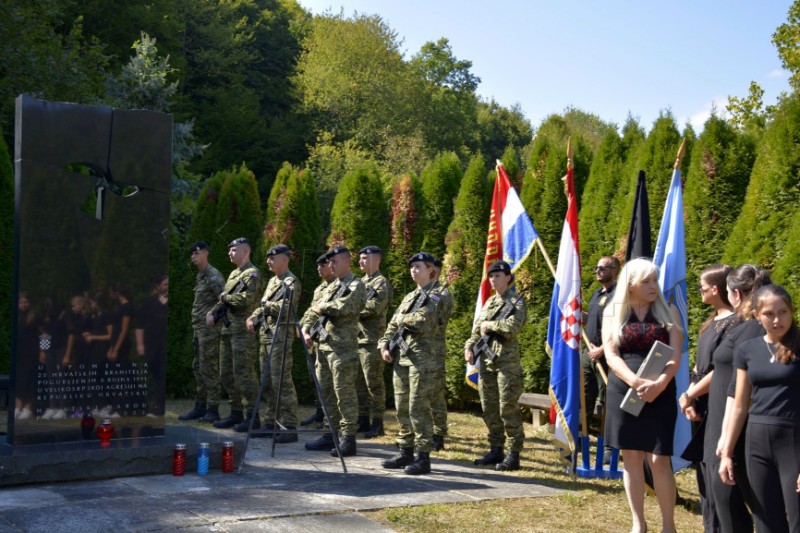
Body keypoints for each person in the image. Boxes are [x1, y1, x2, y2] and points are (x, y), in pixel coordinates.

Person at [603, 258, 683, 533]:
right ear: (631, 285)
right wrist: (635, 381)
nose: (653, 286)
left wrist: (660, 383)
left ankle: (668, 525)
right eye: (646, 281)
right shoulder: (614, 312)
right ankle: (638, 522)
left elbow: (674, 354)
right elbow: (611, 354)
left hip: (660, 391)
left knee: (660, 459)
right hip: (624, 390)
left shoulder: (668, 310)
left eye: (654, 280)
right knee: (632, 457)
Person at [719, 284, 800, 533]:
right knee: (766, 521)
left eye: (783, 312)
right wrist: (727, 453)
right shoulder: (747, 350)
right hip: (756, 443)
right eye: (769, 314)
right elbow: (740, 405)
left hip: (794, 443)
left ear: (792, 311)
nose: (777, 320)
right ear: (756, 315)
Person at [706, 264, 770, 533]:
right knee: (725, 501)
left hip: (734, 426)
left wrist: (727, 440)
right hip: (723, 420)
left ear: (735, 294)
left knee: (745, 506)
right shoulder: (743, 326)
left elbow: (741, 390)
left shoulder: (753, 328)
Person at [678, 264, 735, 532]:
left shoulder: (736, 324)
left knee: (717, 478)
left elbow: (720, 370)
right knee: (702, 476)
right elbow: (699, 366)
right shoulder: (712, 321)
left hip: (719, 405)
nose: (699, 290)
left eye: (702, 286)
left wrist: (691, 394)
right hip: (699, 403)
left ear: (715, 289)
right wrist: (691, 399)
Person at [301, 245, 366, 457]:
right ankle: (331, 434)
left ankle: (348, 438)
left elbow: (343, 307)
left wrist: (322, 308)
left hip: (342, 348)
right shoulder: (330, 287)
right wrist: (305, 329)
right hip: (324, 346)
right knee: (325, 392)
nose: (331, 265)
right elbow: (313, 310)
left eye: (334, 262)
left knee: (343, 393)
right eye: (329, 262)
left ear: (347, 261)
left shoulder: (356, 285)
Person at [379, 252, 440, 475]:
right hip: (403, 358)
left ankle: (423, 457)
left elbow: (423, 320)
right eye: (412, 267)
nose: (414, 271)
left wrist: (401, 319)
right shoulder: (409, 297)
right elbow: (392, 326)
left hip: (422, 359)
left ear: (430, 270)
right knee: (402, 406)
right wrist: (385, 345)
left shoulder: (436, 295)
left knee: (418, 407)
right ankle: (406, 451)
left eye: (419, 267)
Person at [464, 260, 527, 471]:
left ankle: (514, 453)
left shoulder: (516, 301)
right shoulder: (490, 302)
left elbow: (513, 327)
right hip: (487, 364)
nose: (493, 279)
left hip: (506, 364)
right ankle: (496, 449)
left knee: (506, 408)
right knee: (489, 408)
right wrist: (469, 347)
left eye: (498, 275)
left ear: (508, 277)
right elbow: (476, 331)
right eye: (491, 276)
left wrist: (490, 325)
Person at [246, 243, 301, 442]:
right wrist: (253, 317)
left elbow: (286, 308)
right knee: (267, 381)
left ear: (284, 259)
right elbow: (263, 305)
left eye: (272, 257)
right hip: (266, 336)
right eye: (268, 257)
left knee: (282, 382)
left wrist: (265, 305)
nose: (268, 261)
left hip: (280, 338)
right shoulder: (272, 282)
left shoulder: (291, 282)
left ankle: (289, 426)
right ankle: (271, 422)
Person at [207, 238, 262, 429]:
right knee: (227, 374)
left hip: (242, 332)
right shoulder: (233, 274)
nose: (230, 253)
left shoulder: (252, 274)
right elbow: (224, 298)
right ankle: (236, 413)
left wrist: (225, 297)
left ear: (245, 252)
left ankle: (253, 417)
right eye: (229, 250)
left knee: (244, 374)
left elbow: (245, 299)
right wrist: (212, 311)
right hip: (228, 330)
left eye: (234, 250)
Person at [179, 242, 224, 423]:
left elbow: (224, 299)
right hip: (198, 329)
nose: (193, 256)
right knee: (198, 367)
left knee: (209, 368)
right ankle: (200, 406)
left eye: (197, 253)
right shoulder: (200, 276)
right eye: (191, 254)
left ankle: (213, 409)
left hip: (209, 330)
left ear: (206, 253)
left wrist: (212, 313)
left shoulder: (213, 275)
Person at [355, 245, 392, 439]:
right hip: (358, 339)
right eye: (359, 258)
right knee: (359, 383)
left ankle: (377, 422)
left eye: (364, 258)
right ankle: (363, 419)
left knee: (373, 383)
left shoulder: (381, 283)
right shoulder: (361, 282)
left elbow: (374, 307)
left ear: (375, 259)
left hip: (372, 340)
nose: (360, 262)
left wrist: (351, 310)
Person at [299, 253, 336, 428]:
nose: (319, 269)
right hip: (314, 339)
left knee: (329, 383)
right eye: (318, 266)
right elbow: (311, 312)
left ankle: (330, 417)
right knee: (316, 379)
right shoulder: (320, 289)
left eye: (323, 265)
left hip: (330, 339)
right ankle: (320, 413)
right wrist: (303, 328)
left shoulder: (340, 287)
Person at [583, 256, 619, 419]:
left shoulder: (618, 295)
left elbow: (620, 326)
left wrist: (603, 349)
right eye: (597, 268)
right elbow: (595, 318)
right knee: (584, 395)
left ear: (614, 270)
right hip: (588, 352)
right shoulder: (597, 293)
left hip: (606, 355)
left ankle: (607, 441)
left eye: (602, 268)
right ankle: (579, 436)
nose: (598, 271)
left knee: (607, 398)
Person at [136, 276, 169, 415]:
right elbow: (139, 325)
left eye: (168, 284)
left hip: (165, 345)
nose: (167, 287)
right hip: (151, 345)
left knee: (162, 377)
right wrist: (140, 344)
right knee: (151, 376)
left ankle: (161, 407)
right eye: (164, 284)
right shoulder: (148, 302)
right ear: (157, 286)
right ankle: (145, 404)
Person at [430, 258, 453, 452]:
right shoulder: (423, 293)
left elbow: (437, 319)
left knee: (436, 393)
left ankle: (438, 434)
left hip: (435, 349)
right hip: (421, 350)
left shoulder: (442, 294)